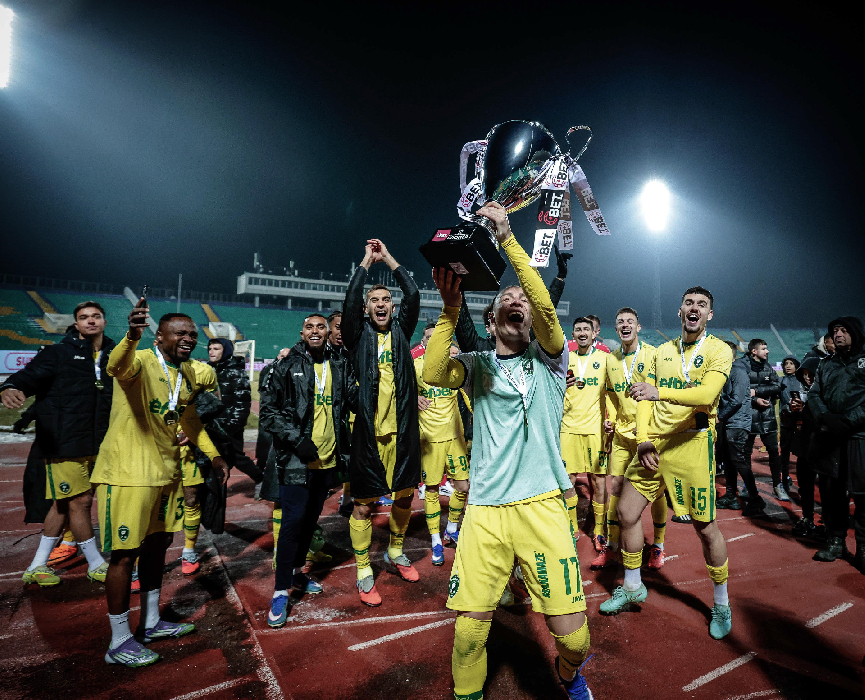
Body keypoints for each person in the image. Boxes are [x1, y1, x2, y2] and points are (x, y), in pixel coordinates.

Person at [424, 201, 593, 700]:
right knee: (468, 635)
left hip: (543, 507)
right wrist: (450, 309)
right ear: (493, 320)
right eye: (507, 299)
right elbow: (433, 372)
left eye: (523, 297)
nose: (518, 299)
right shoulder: (477, 365)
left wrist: (507, 239)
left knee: (576, 641)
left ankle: (569, 673)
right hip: (485, 512)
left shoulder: (552, 360)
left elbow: (544, 307)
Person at [91, 305, 227, 667]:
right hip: (129, 474)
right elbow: (116, 366)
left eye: (192, 334)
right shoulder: (139, 361)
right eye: (180, 333)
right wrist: (131, 336)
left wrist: (213, 455)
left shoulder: (188, 372)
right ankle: (119, 641)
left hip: (166, 473)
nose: (188, 339)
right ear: (159, 336)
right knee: (124, 556)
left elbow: (189, 417)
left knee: (157, 548)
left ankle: (150, 622)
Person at [600, 286, 734, 641]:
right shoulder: (661, 352)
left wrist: (660, 392)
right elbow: (643, 398)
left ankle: (721, 603)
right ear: (680, 311)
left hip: (692, 443)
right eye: (689, 303)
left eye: (701, 304)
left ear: (709, 315)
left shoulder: (719, 350)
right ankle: (632, 586)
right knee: (626, 512)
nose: (694, 308)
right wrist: (643, 438)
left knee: (705, 528)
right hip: (655, 444)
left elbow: (706, 394)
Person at [1, 301, 115, 586]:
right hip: (66, 443)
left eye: (96, 316)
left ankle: (37, 565)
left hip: (102, 444)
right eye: (84, 317)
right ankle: (96, 563)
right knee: (81, 501)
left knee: (63, 505)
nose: (91, 321)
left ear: (104, 321)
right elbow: (26, 377)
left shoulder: (115, 356)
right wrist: (9, 387)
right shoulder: (57, 353)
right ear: (76, 324)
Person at [259, 313, 357, 627]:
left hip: (327, 461)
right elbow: (268, 413)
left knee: (309, 522)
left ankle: (297, 573)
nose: (315, 331)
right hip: (297, 462)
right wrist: (297, 441)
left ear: (327, 332)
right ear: (302, 333)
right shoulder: (287, 365)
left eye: (320, 327)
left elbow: (353, 402)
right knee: (292, 524)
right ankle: (280, 590)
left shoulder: (339, 365)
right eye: (309, 327)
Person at [341, 238, 421, 606]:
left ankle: (395, 551)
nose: (381, 304)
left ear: (392, 306)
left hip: (403, 433)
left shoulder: (402, 332)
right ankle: (362, 569)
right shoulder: (357, 336)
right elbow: (349, 301)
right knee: (363, 506)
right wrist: (365, 262)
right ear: (366, 308)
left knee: (405, 495)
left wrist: (387, 257)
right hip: (368, 436)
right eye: (374, 300)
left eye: (386, 299)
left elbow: (413, 292)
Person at [599, 307, 667, 570]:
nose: (625, 325)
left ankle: (658, 544)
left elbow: (660, 393)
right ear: (616, 328)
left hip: (648, 435)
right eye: (620, 322)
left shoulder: (652, 354)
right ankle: (612, 544)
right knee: (616, 487)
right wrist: (612, 419)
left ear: (638, 327)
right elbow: (611, 394)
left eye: (630, 321)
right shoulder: (611, 359)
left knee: (656, 492)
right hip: (621, 434)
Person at [807, 317, 865, 573]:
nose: (837, 334)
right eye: (834, 331)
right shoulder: (826, 364)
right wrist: (825, 417)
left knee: (863, 495)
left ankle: (863, 548)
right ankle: (836, 542)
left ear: (855, 333)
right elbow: (814, 394)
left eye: (843, 330)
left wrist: (849, 421)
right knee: (832, 493)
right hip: (830, 437)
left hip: (859, 437)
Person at [415, 324, 469, 566]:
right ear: (423, 342)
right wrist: (414, 397)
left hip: (455, 437)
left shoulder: (454, 367)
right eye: (429, 338)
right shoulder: (415, 366)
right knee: (432, 489)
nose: (434, 342)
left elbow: (470, 396)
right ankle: (436, 540)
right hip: (430, 439)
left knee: (463, 486)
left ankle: (452, 529)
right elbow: (401, 392)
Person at [454, 246, 571, 353]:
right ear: (491, 321)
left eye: (524, 300)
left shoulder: (532, 348)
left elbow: (545, 310)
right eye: (506, 299)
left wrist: (560, 278)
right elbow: (462, 319)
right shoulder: (478, 351)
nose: (516, 302)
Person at [560, 316, 609, 556]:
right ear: (573, 334)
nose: (582, 333)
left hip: (595, 430)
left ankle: (599, 529)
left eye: (586, 330)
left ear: (594, 334)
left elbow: (614, 392)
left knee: (598, 481)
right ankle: (571, 527)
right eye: (578, 329)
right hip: (568, 428)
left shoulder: (605, 359)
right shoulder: (564, 359)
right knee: (567, 481)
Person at [176, 358, 219, 575]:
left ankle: (189, 550)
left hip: (189, 450)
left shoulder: (204, 371)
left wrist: (194, 429)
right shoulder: (147, 364)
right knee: (152, 506)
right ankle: (138, 562)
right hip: (154, 450)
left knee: (191, 499)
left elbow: (214, 405)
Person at [207, 338, 263, 497]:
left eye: (216, 349)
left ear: (225, 351)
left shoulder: (235, 372)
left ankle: (260, 479)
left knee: (236, 457)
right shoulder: (209, 370)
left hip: (230, 425)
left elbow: (242, 403)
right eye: (210, 348)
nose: (211, 352)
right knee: (215, 456)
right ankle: (218, 487)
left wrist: (231, 426)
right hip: (213, 424)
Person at [716, 340, 765, 515]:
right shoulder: (729, 370)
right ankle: (731, 496)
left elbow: (736, 400)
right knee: (729, 461)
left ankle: (755, 499)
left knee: (738, 460)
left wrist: (720, 416)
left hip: (737, 423)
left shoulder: (738, 371)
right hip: (730, 422)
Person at [737, 339, 786, 501]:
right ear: (754, 351)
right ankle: (747, 485)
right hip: (748, 417)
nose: (767, 351)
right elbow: (739, 390)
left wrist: (757, 392)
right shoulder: (742, 366)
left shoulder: (767, 367)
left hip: (767, 416)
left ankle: (778, 485)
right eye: (764, 348)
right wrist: (754, 400)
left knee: (773, 452)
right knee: (746, 453)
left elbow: (777, 386)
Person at [790, 357, 821, 536]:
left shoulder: (826, 392)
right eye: (805, 375)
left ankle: (832, 526)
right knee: (804, 485)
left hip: (822, 447)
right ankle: (807, 518)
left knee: (828, 488)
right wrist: (793, 410)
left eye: (811, 375)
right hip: (804, 447)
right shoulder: (802, 392)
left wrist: (805, 410)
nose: (808, 378)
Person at [779, 355, 803, 493]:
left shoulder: (801, 381)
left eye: (791, 363)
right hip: (786, 421)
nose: (788, 366)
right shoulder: (781, 381)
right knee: (785, 453)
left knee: (801, 453)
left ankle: (803, 482)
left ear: (796, 366)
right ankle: (784, 478)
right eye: (786, 363)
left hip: (800, 422)